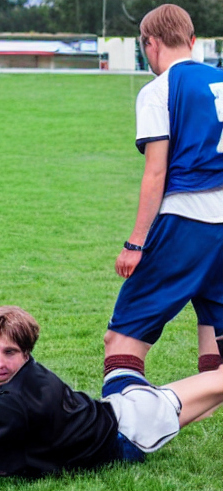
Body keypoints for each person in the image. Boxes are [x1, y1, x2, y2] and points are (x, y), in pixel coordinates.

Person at [0, 306, 223, 491]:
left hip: (128, 429)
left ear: (26, 354)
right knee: (209, 390)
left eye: (9, 353)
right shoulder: (21, 378)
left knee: (218, 382)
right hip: (113, 409)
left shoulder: (15, 405)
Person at [103, 4, 223, 380]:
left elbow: (156, 172)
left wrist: (136, 242)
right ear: (191, 41)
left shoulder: (159, 89)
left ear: (150, 44)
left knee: (120, 338)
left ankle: (125, 434)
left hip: (188, 222)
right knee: (216, 346)